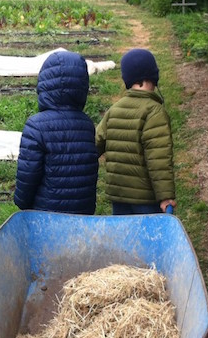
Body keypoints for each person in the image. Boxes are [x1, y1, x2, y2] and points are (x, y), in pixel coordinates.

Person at [14, 51, 99, 215]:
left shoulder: (36, 126)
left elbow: (28, 173)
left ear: (44, 83)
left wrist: (22, 202)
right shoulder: (86, 124)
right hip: (83, 212)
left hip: (47, 214)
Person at [95, 48, 176, 215]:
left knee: (123, 238)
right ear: (153, 77)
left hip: (118, 194)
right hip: (145, 197)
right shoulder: (154, 112)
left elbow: (95, 145)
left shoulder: (114, 110)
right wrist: (165, 196)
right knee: (148, 239)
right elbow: (158, 158)